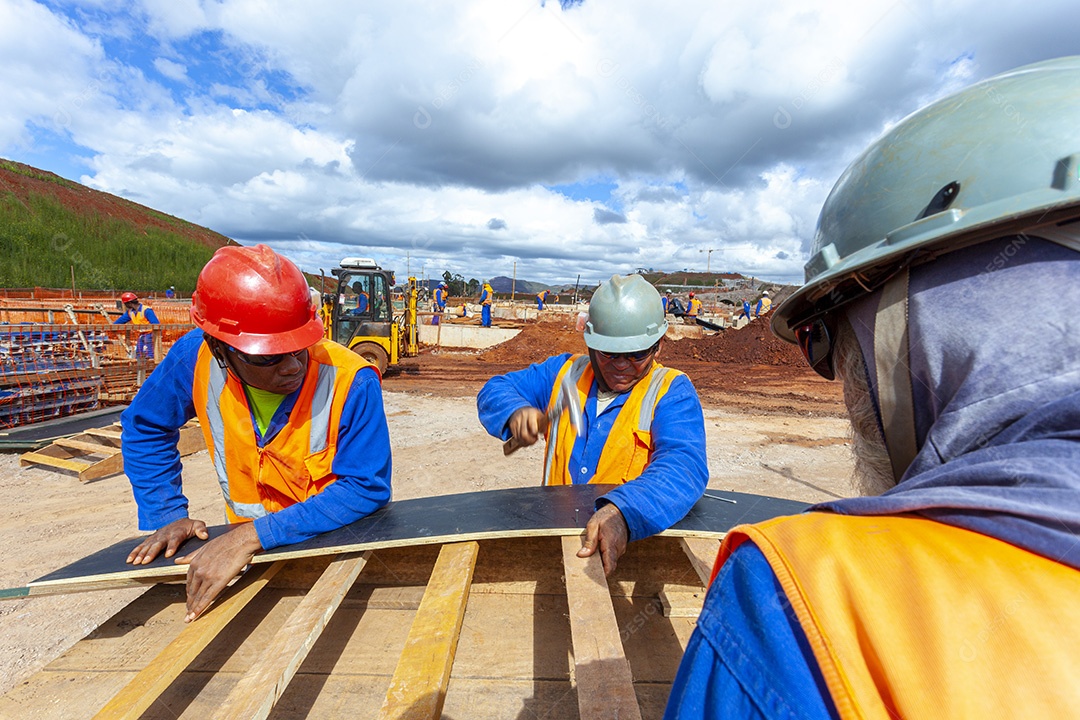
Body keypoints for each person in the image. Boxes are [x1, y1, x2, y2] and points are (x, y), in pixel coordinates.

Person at [665, 57, 1080, 719]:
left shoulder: (805, 604)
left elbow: (682, 467)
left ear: (901, 325)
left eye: (827, 342)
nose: (842, 384)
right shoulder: (566, 376)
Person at [120, 244, 392, 623]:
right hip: (250, 566)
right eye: (268, 356)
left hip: (333, 552)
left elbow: (365, 487)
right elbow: (145, 426)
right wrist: (165, 513)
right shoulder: (193, 358)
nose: (293, 365)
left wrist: (250, 537)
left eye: (300, 346)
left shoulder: (352, 380)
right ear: (219, 347)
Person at [477, 274, 709, 575]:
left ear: (659, 345)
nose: (622, 365)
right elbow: (494, 390)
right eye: (610, 353)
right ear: (590, 343)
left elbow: (684, 467)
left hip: (628, 554)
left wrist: (623, 512)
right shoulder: (564, 374)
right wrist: (515, 411)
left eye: (636, 354)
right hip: (556, 545)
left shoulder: (671, 392)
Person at [113, 291, 160, 359]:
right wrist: (112, 326)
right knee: (139, 353)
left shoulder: (146, 310)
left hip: (150, 334)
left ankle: (151, 367)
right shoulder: (130, 312)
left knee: (149, 354)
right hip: (141, 335)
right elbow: (121, 320)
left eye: (125, 304)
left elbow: (156, 324)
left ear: (129, 303)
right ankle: (140, 367)